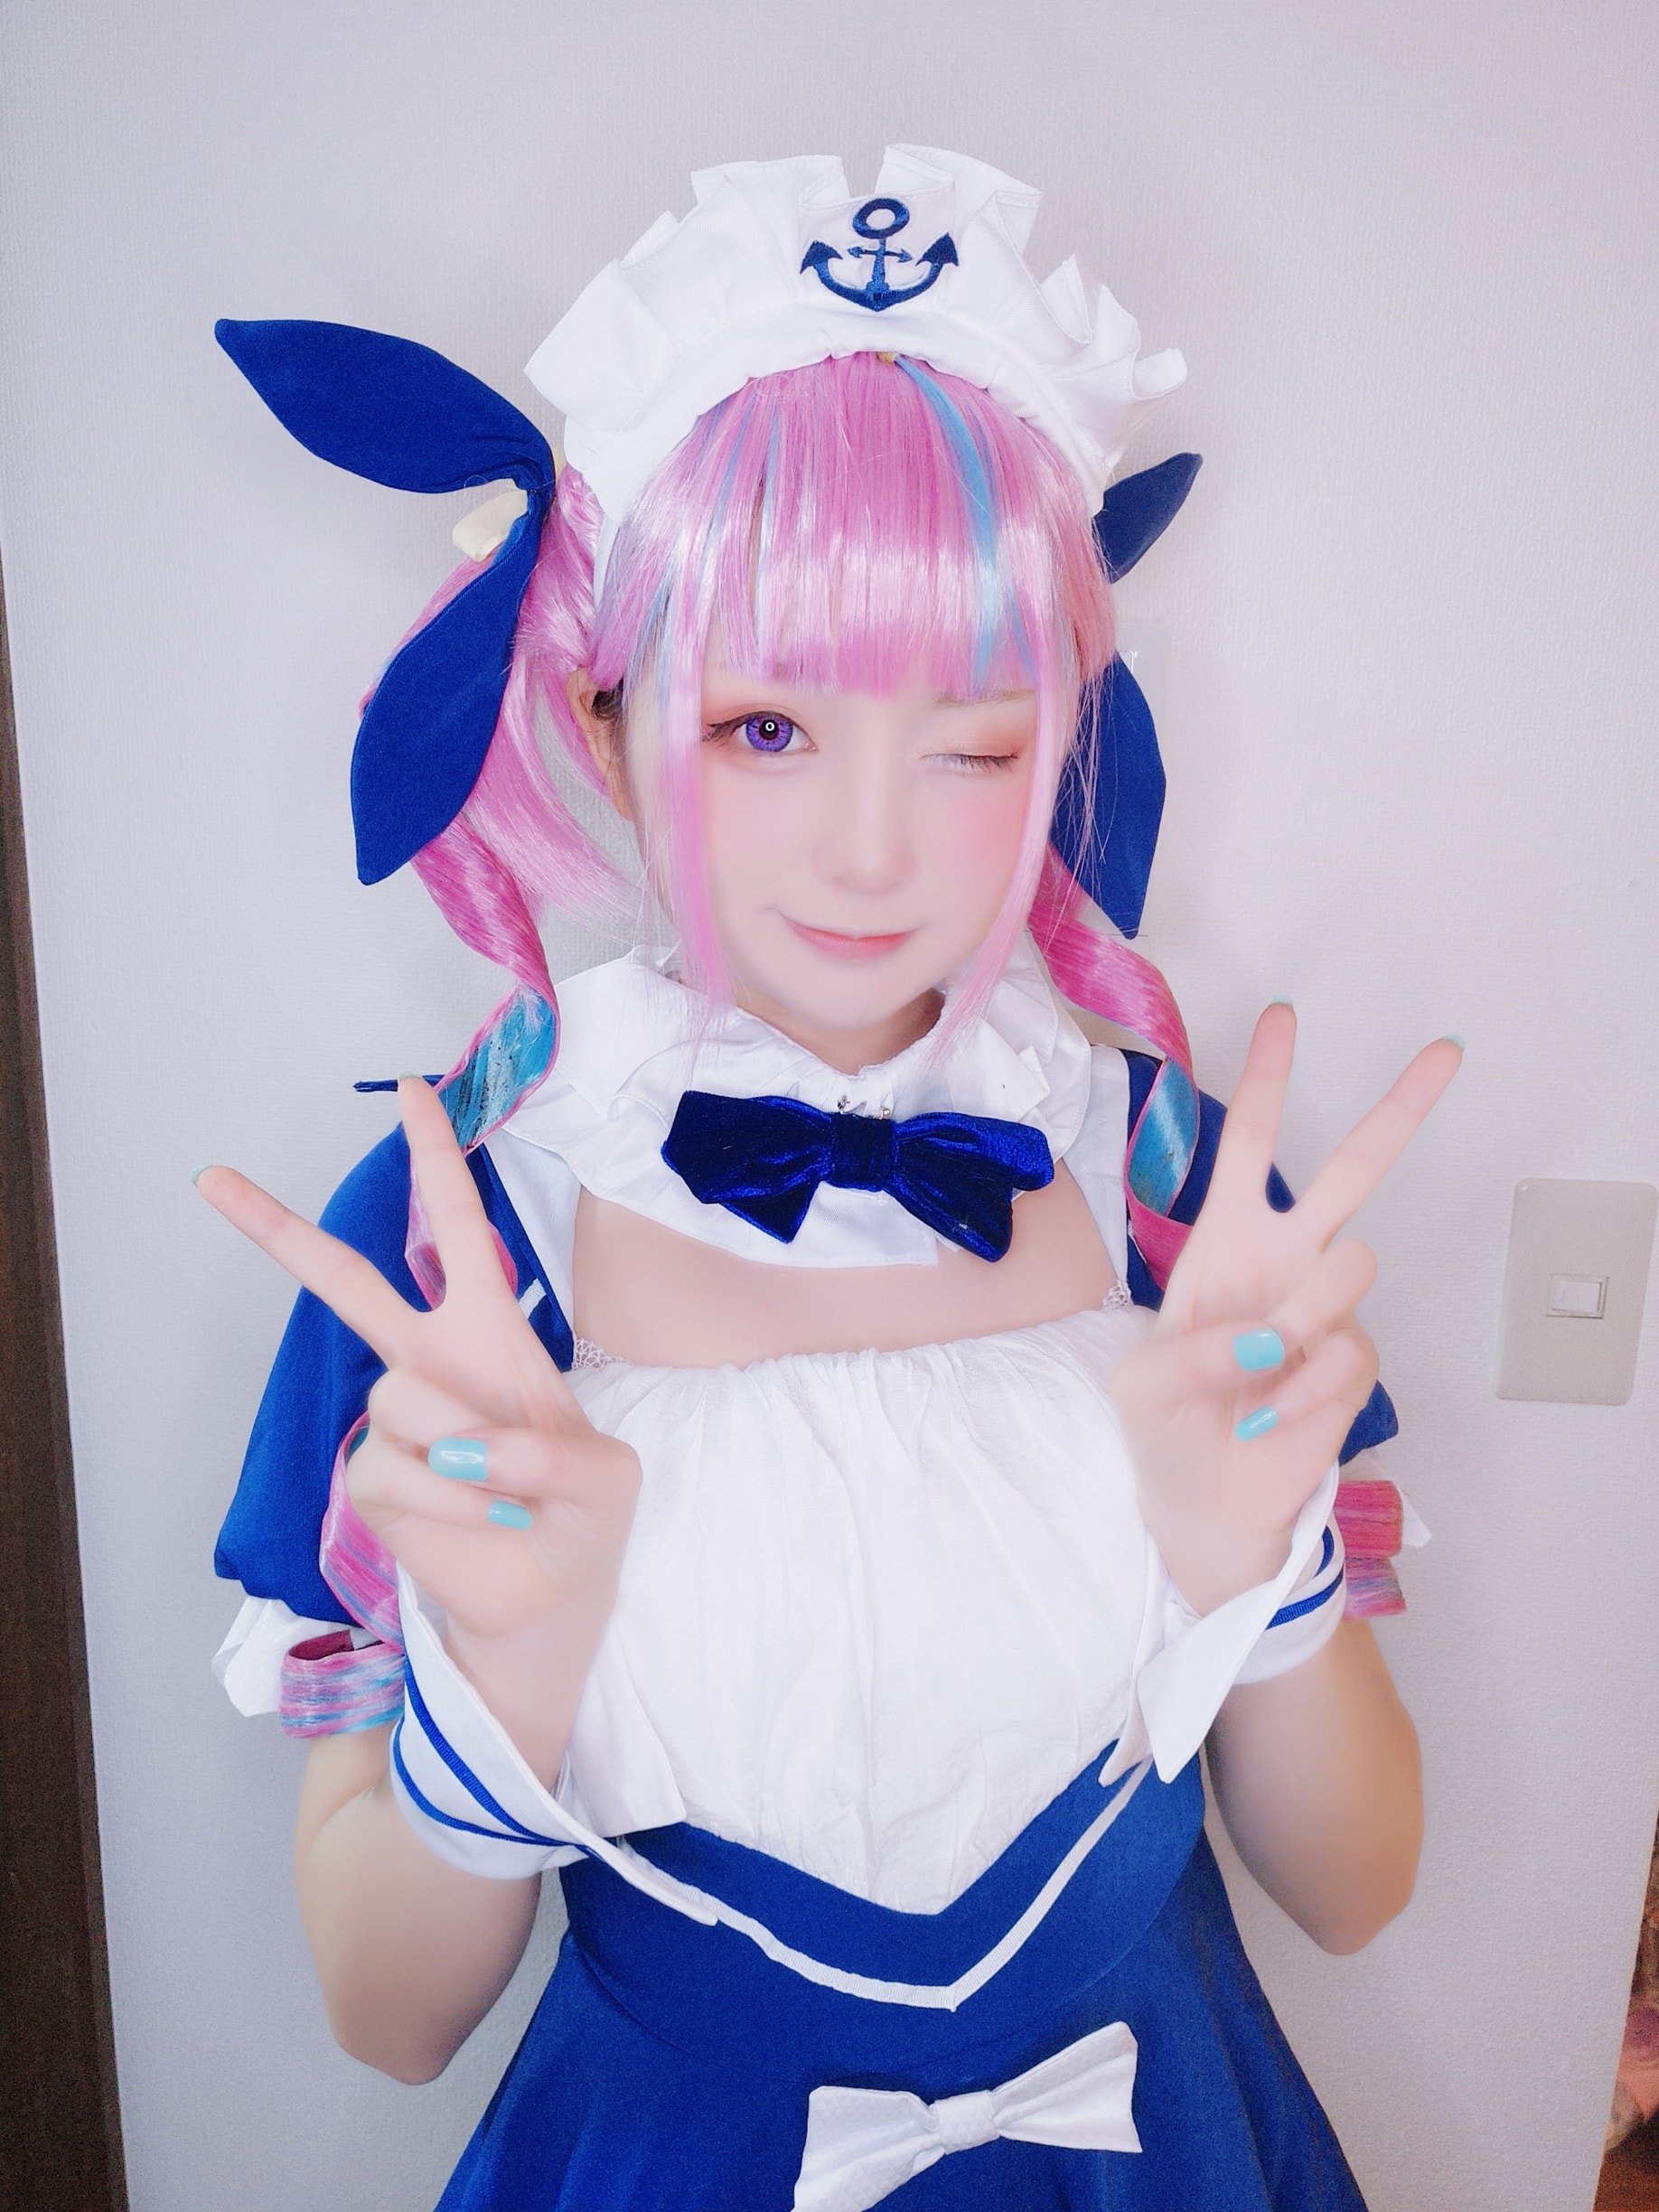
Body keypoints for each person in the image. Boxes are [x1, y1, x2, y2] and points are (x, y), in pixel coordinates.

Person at [200, 146, 1459, 2209]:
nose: (875, 849)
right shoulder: (455, 1234)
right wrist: (500, 1686)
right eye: (767, 729)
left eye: (974, 742)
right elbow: (389, 2018)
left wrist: (1272, 1575)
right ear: (607, 720)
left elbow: (1358, 1888)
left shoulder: (1180, 1189)